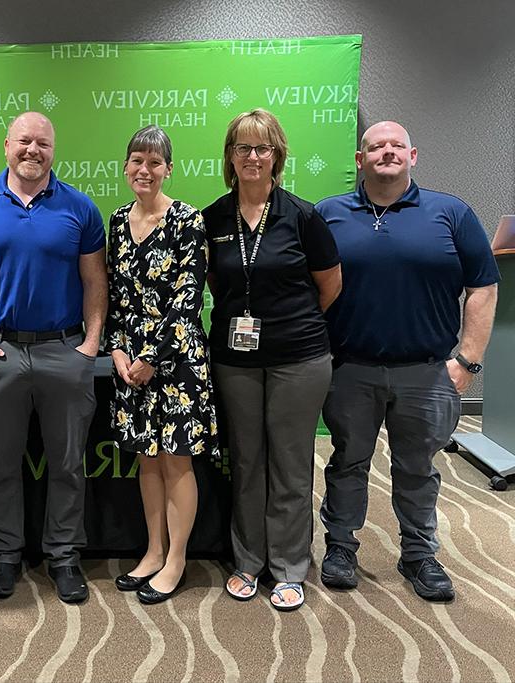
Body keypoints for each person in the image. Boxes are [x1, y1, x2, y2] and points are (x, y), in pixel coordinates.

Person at [316, 121, 499, 602]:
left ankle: (420, 554)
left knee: (417, 466)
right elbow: (304, 288)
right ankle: (340, 548)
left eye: (397, 145)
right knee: (348, 462)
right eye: (376, 146)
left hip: (428, 369)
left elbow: (483, 286)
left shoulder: (451, 212)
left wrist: (468, 361)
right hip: (349, 367)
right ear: (361, 160)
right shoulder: (328, 214)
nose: (387, 152)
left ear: (413, 155)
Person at [0, 111, 107, 604]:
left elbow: (94, 281)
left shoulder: (80, 208)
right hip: (1, 351)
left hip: (65, 348)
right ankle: (5, 555)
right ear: (7, 146)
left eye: (42, 142)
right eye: (24, 141)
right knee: (0, 462)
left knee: (66, 463)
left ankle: (63, 555)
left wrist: (91, 343)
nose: (32, 150)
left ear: (53, 150)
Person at [203, 109, 342, 611]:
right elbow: (220, 284)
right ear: (231, 157)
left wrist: (289, 325)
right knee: (245, 459)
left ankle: (288, 567)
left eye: (262, 147)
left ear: (277, 155)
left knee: (289, 460)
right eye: (243, 147)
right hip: (235, 359)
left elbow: (330, 285)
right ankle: (248, 561)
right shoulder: (214, 217)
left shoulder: (303, 216)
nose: (253, 156)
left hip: (298, 358)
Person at [105, 126, 218, 604]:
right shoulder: (115, 221)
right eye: (136, 161)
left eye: (154, 162)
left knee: (176, 461)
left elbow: (187, 298)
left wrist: (152, 358)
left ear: (168, 168)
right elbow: (113, 296)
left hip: (177, 363)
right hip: (130, 364)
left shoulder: (188, 219)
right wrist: (118, 352)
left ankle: (176, 561)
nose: (144, 170)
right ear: (126, 167)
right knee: (146, 461)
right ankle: (153, 551)